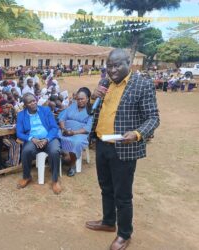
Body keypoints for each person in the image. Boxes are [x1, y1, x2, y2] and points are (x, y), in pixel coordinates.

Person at [86, 49, 160, 250]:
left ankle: (124, 234)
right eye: (109, 66)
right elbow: (91, 111)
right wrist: (93, 98)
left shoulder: (141, 84)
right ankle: (109, 222)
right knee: (106, 188)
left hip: (124, 148)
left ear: (129, 62)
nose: (112, 70)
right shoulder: (104, 83)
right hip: (102, 144)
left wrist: (136, 134)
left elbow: (153, 118)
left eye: (117, 65)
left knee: (123, 195)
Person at [16, 93, 62, 194]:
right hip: (33, 140)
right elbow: (19, 133)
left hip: (49, 138)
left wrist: (47, 139)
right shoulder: (21, 115)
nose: (33, 103)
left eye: (34, 100)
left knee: (55, 151)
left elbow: (54, 127)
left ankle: (55, 181)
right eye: (30, 102)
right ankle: (27, 177)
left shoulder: (45, 110)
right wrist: (31, 138)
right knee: (26, 151)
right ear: (25, 105)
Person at [58, 88, 93, 177]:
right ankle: (62, 157)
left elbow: (87, 128)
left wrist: (73, 132)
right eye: (78, 99)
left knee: (76, 142)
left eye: (82, 99)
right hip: (66, 130)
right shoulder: (72, 106)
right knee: (54, 137)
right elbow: (62, 118)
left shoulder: (91, 110)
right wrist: (63, 129)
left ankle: (72, 164)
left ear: (87, 99)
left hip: (80, 133)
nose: (80, 101)